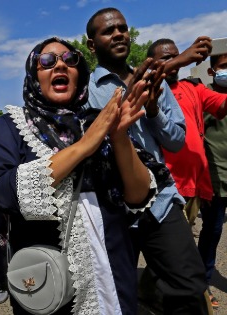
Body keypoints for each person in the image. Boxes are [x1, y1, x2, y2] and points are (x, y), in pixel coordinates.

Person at [0, 36, 169, 315]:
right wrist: (83, 146)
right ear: (35, 75)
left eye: (70, 60)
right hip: (50, 278)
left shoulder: (100, 119)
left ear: (80, 73)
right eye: (47, 61)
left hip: (113, 267)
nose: (60, 65)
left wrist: (118, 137)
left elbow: (139, 195)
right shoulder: (13, 126)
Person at [85, 7, 209, 314]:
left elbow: (176, 140)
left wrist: (153, 109)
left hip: (161, 204)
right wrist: (174, 64)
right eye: (108, 30)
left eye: (123, 28)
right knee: (116, 296)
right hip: (113, 211)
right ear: (91, 44)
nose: (118, 34)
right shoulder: (86, 90)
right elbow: (103, 128)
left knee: (189, 288)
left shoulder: (159, 84)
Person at [147, 38, 227, 229]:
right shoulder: (148, 90)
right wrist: (182, 58)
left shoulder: (193, 88)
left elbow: (222, 104)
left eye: (178, 57)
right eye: (169, 59)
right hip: (166, 187)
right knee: (174, 252)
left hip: (195, 185)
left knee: (207, 238)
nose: (178, 62)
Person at [199, 51, 227, 308]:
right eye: (224, 67)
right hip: (216, 180)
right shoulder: (205, 98)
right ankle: (202, 283)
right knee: (213, 231)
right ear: (212, 71)